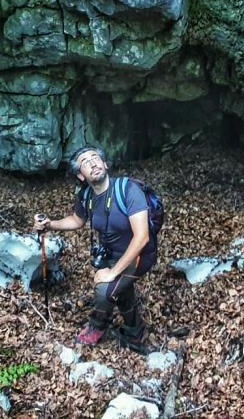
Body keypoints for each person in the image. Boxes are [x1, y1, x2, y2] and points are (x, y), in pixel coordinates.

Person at [32, 145, 156, 354]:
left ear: (105, 164)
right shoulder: (86, 196)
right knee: (121, 290)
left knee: (104, 290)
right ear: (81, 175)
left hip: (139, 255)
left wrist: (112, 272)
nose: (92, 163)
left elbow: (142, 237)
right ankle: (135, 332)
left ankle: (97, 326)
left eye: (95, 158)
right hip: (111, 254)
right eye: (85, 162)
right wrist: (50, 224)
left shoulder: (127, 190)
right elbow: (77, 220)